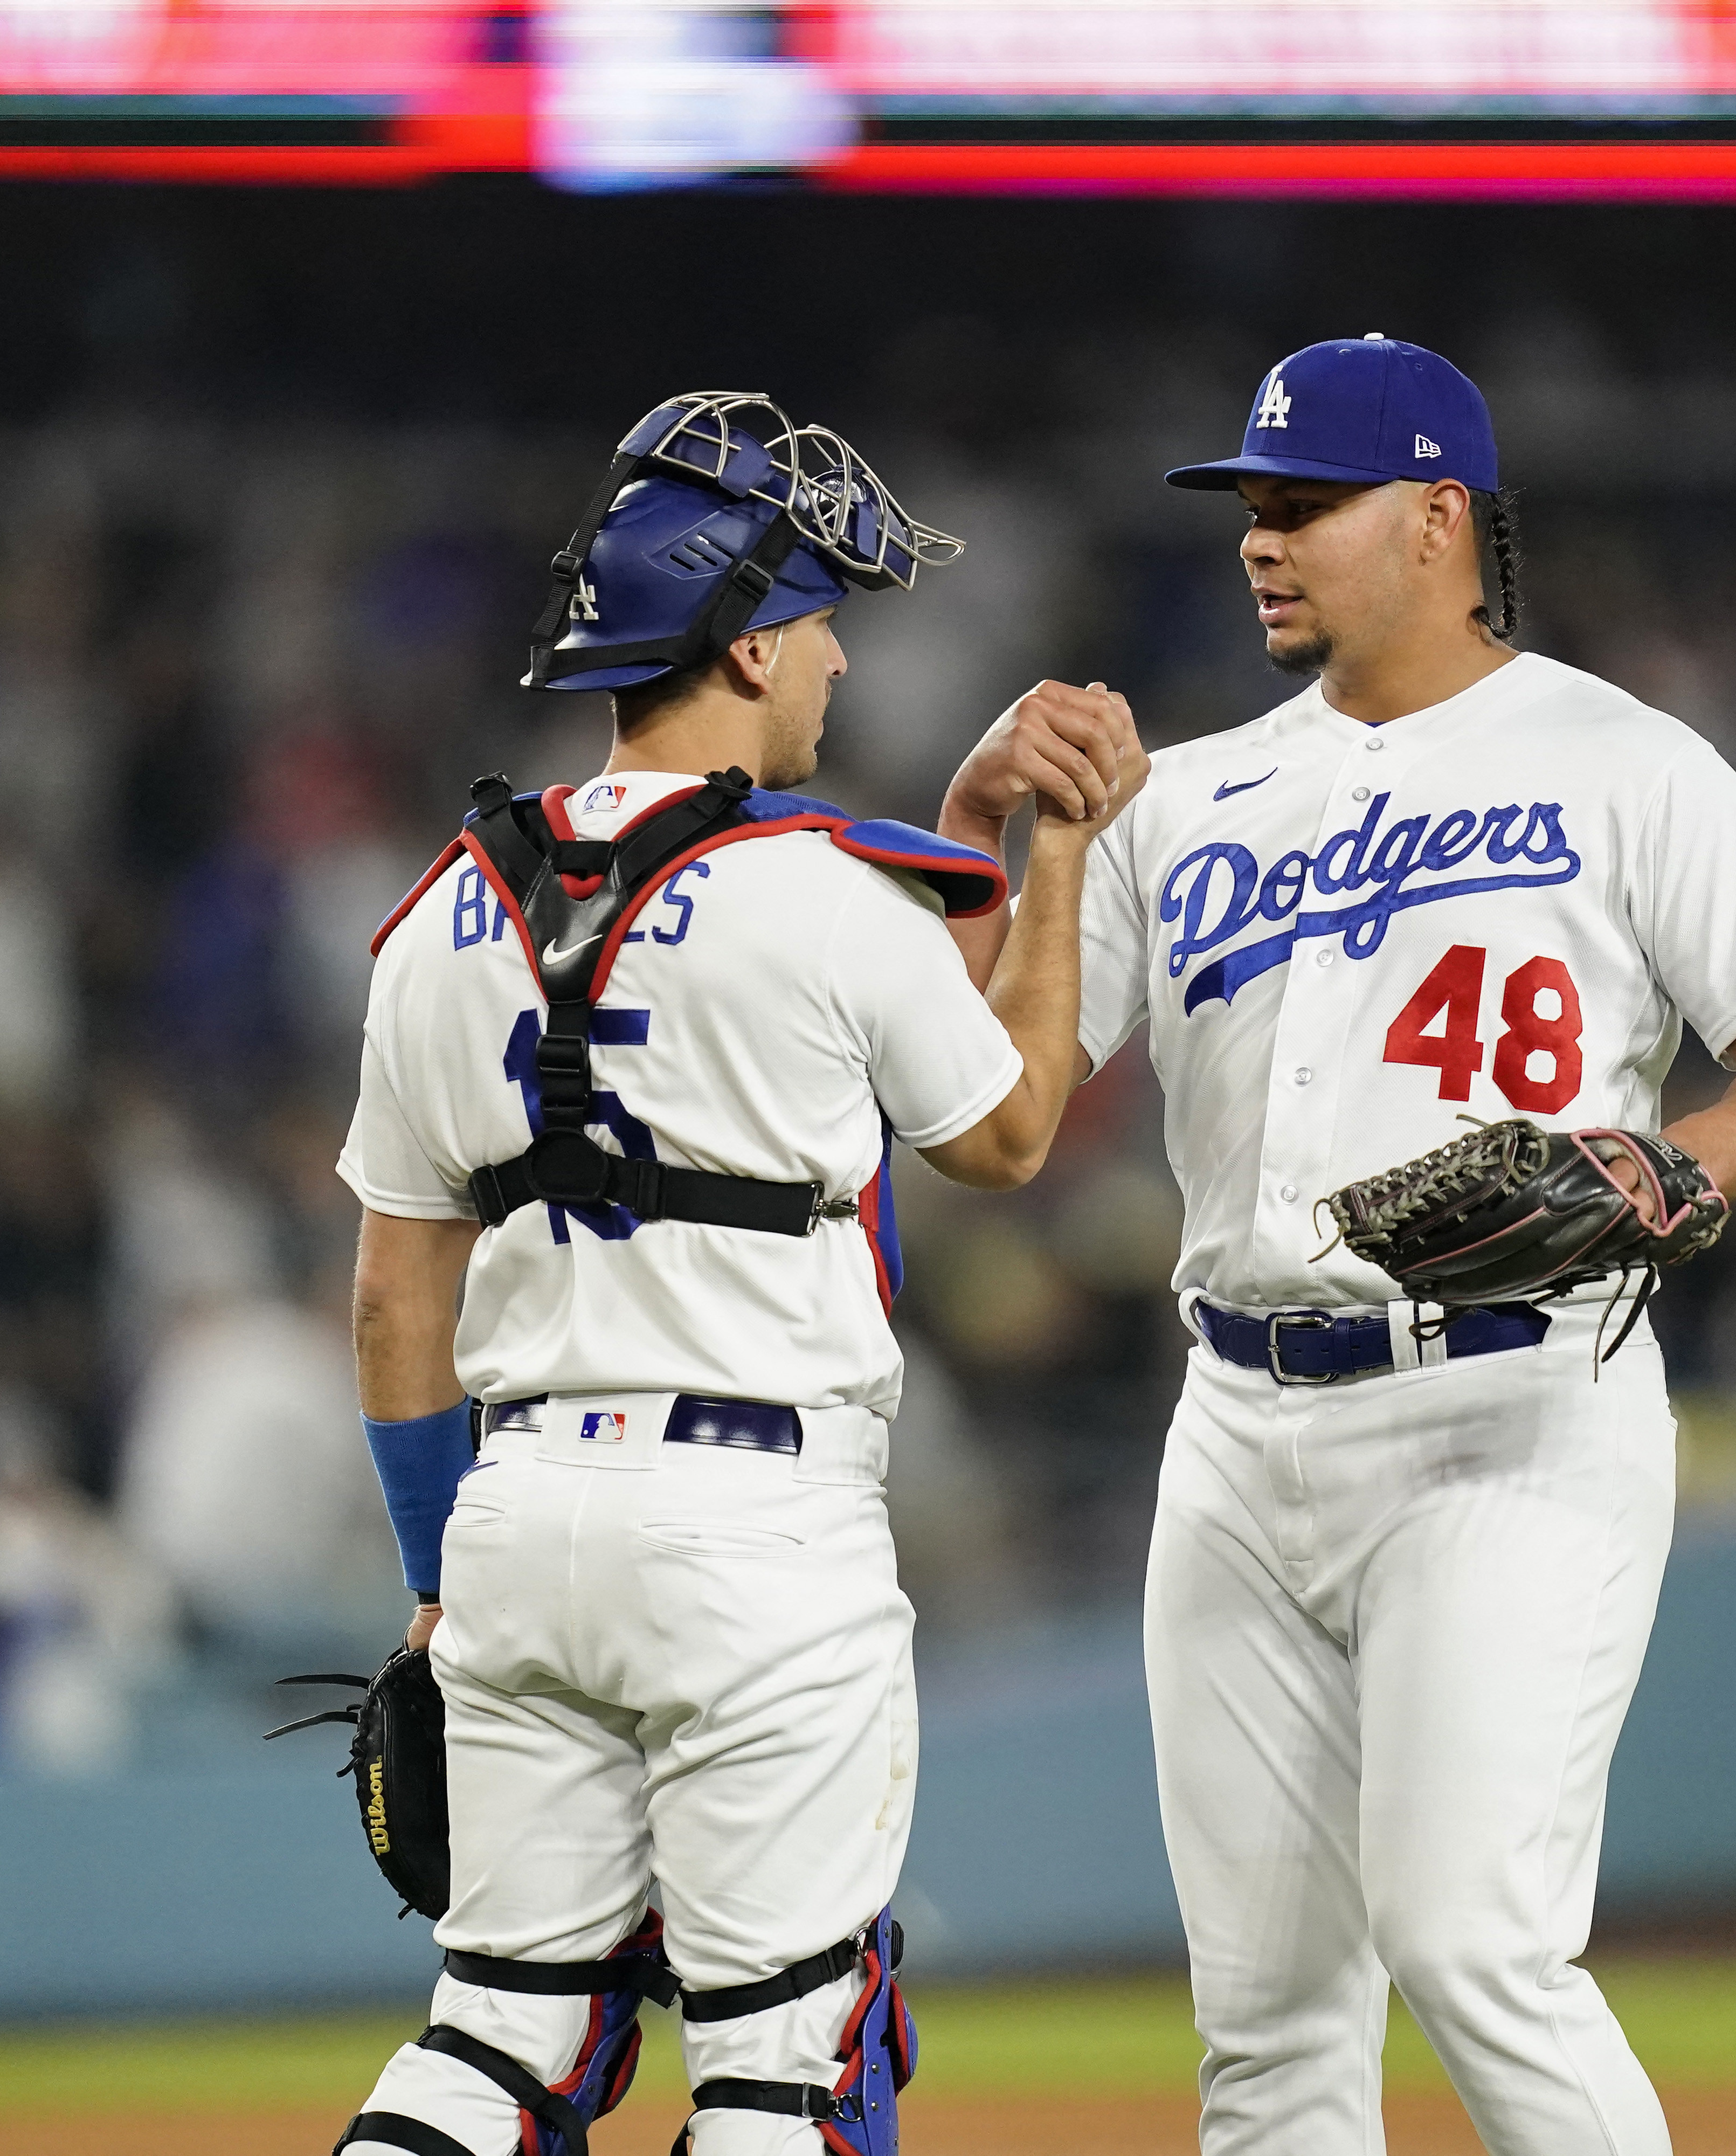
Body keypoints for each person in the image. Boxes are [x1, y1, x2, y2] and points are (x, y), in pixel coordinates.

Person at [941, 337, 1736, 2154]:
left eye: (1306, 506)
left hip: (1509, 1404)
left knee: (1471, 1941)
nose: (1261, 541)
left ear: (1441, 514)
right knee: (1271, 2038)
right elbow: (1001, 1109)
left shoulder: (1623, 759)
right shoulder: (1185, 798)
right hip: (1234, 1425)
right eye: (1252, 510)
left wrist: (1670, 1168)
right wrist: (1013, 842)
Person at [328, 392, 1146, 2156]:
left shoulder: (438, 915)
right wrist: (1058, 850)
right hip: (759, 1528)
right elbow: (1006, 1138)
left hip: (518, 1527)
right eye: (824, 621)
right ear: (752, 640)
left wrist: (433, 1583)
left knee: (498, 2042)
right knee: (787, 2058)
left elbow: (398, 1305)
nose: (843, 658)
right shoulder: (828, 890)